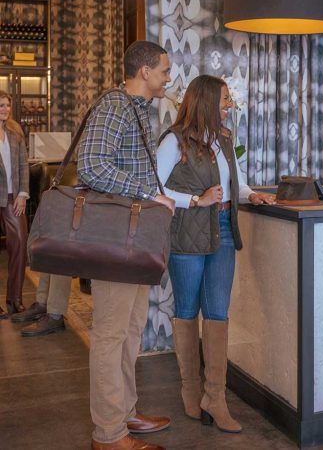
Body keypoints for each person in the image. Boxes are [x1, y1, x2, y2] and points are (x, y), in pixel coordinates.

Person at [156, 74, 275, 434]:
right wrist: (195, 199)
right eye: (225, 100)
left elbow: (233, 179)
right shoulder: (174, 142)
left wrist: (251, 194)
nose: (229, 106)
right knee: (188, 310)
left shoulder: (223, 138)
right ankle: (190, 389)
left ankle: (215, 397)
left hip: (223, 229)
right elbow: (155, 190)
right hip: (188, 233)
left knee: (219, 312)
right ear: (207, 101)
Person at [77, 41, 176, 450]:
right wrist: (148, 194)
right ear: (145, 72)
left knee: (131, 331)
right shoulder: (115, 106)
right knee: (111, 335)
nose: (168, 78)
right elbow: (91, 166)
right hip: (115, 236)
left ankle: (125, 413)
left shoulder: (138, 110)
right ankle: (109, 434)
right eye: (164, 71)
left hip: (132, 237)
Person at [0, 90, 28, 319]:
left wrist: (22, 193)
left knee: (19, 242)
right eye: (1, 105)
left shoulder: (15, 131)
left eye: (7, 105)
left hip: (12, 198)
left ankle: (15, 298)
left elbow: (23, 165)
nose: (5, 109)